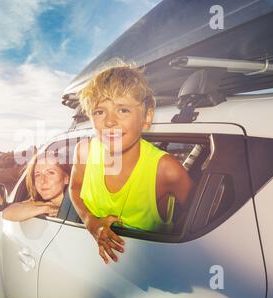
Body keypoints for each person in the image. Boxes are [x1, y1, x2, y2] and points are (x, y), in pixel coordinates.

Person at [69, 64, 194, 264]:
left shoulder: (166, 170)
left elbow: (202, 231)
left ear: (147, 117)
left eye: (123, 110)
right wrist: (90, 221)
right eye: (99, 112)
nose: (110, 122)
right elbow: (75, 188)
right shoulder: (84, 151)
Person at [2, 152, 71, 221]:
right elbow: (7, 213)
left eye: (50, 173)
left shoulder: (79, 204)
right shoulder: (41, 203)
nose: (42, 181)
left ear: (66, 178)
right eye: (37, 175)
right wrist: (46, 209)